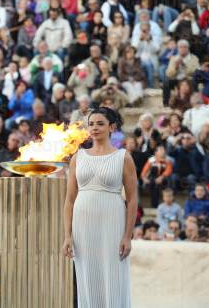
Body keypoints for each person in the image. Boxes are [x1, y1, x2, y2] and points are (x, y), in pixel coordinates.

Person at [62, 107, 137, 308]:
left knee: (113, 276)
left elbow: (132, 199)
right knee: (87, 277)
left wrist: (127, 236)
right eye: (91, 124)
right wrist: (67, 236)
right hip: (82, 225)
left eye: (100, 123)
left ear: (112, 127)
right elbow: (69, 199)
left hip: (112, 221)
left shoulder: (123, 157)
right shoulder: (78, 157)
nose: (95, 128)